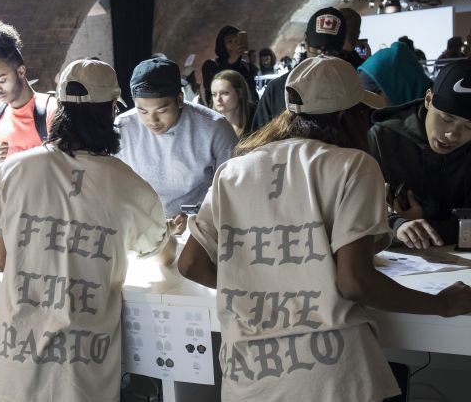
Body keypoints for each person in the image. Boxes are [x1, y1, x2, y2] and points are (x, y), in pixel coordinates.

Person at [177, 55, 471, 402]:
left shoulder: (233, 170)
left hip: (249, 379)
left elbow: (190, 264)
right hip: (332, 378)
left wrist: (260, 284)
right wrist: (443, 304)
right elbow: (355, 282)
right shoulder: (353, 165)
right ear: (349, 115)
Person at [0, 59, 176, 402]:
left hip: (12, 369)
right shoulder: (128, 184)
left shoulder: (13, 169)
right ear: (112, 108)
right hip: (81, 376)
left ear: (60, 107)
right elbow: (165, 254)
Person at [116, 57, 237, 230]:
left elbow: (231, 190)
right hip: (140, 229)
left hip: (201, 228)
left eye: (162, 110)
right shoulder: (122, 127)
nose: (152, 120)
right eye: (142, 111)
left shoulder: (214, 128)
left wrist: (199, 218)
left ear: (180, 100)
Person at [368, 59, 471, 249]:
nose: (452, 135)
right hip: (401, 264)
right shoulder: (383, 139)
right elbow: (361, 215)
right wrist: (398, 225)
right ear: (428, 99)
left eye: (469, 127)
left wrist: (427, 223)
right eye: (446, 119)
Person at [249, 7, 348, 134]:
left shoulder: (349, 89)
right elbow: (257, 139)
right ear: (305, 41)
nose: (322, 57)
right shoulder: (277, 89)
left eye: (330, 51)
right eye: (317, 49)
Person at [0, 21, 57, 161]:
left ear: (21, 71)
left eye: (2, 80)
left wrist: (14, 156)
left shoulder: (51, 110)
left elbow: (62, 164)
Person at [213, 25, 258, 102]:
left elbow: (252, 91)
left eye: (237, 41)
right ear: (222, 45)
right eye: (230, 42)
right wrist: (232, 58)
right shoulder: (212, 65)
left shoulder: (246, 66)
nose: (234, 44)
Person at [211, 69, 254, 138]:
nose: (218, 99)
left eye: (224, 93)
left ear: (239, 93)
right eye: (214, 94)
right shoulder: (210, 125)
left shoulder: (256, 120)